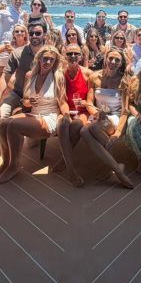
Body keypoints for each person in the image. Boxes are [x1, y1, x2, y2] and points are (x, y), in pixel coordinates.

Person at [0, 46, 69, 184]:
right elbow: (26, 102)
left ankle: (14, 165)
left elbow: (62, 102)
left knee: (14, 125)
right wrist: (29, 102)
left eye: (51, 60)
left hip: (48, 117)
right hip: (34, 114)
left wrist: (67, 116)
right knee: (4, 123)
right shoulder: (30, 75)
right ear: (39, 59)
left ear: (55, 62)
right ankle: (6, 162)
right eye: (45, 58)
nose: (48, 62)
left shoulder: (58, 77)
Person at [0, 21, 47, 178]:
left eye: (38, 33)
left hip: (41, 99)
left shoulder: (50, 54)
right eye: (32, 33)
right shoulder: (17, 53)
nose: (34, 36)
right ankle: (7, 162)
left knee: (31, 140)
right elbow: (5, 76)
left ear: (45, 35)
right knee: (0, 119)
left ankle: (25, 133)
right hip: (18, 94)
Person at [80, 48, 134, 189]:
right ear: (105, 59)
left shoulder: (124, 82)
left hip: (115, 117)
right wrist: (96, 113)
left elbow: (124, 112)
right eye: (110, 58)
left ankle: (110, 167)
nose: (113, 62)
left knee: (89, 128)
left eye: (117, 60)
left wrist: (117, 133)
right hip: (98, 115)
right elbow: (89, 102)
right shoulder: (94, 77)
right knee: (83, 131)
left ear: (121, 63)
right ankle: (117, 168)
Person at [54, 44, 92, 186]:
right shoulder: (60, 74)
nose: (73, 56)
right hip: (66, 109)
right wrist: (66, 115)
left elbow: (90, 101)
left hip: (83, 110)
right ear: (65, 55)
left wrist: (84, 104)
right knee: (64, 123)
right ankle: (71, 170)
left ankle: (63, 160)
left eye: (76, 54)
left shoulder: (88, 74)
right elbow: (62, 100)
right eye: (70, 54)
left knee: (77, 125)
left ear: (81, 56)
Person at [0, 24, 27, 121]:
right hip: (8, 71)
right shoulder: (8, 44)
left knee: (9, 84)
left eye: (22, 31)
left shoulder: (28, 47)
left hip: (20, 73)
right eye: (17, 31)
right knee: (0, 88)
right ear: (13, 34)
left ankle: (0, 107)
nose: (19, 33)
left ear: (26, 34)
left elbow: (24, 59)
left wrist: (12, 51)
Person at [0, 0, 25, 87]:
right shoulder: (5, 11)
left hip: (17, 46)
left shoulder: (23, 13)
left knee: (15, 70)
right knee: (1, 70)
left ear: (22, 1)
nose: (18, 1)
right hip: (4, 45)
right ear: (11, 0)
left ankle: (10, 94)